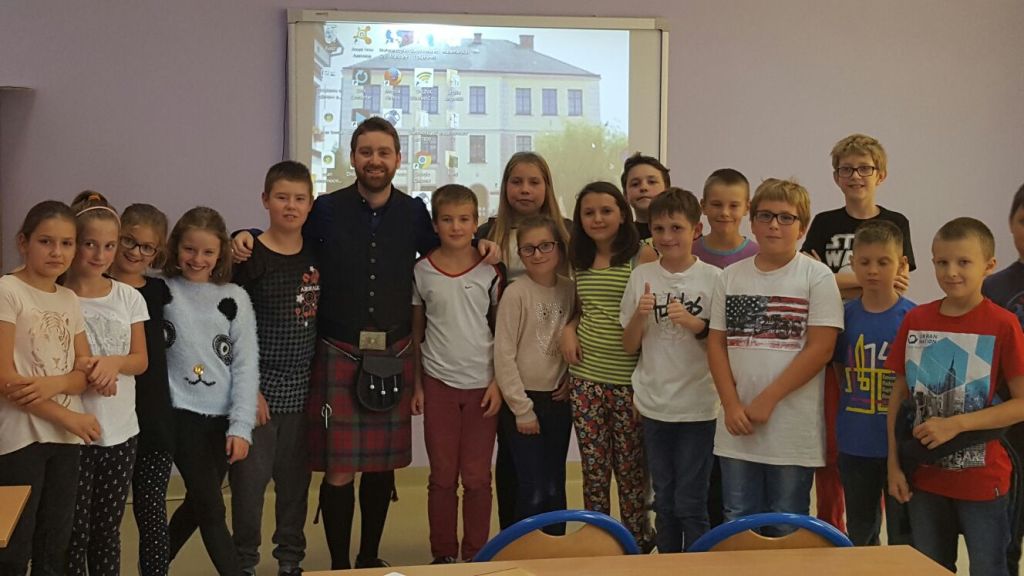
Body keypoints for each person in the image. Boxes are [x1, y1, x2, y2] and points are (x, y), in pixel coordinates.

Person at [231, 117, 498, 570]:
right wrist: (247, 236)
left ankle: (369, 557)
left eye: (384, 152)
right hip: (338, 350)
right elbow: (285, 235)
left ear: (398, 159)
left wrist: (486, 244)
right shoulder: (326, 209)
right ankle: (340, 566)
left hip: (393, 353)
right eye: (366, 152)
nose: (375, 160)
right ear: (353, 157)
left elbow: (450, 247)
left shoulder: (414, 212)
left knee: (381, 467)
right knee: (340, 470)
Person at [887, 217, 1024, 576]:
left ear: (988, 266)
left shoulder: (1003, 323)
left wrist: (956, 424)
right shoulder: (916, 319)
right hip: (924, 479)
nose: (951, 272)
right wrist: (893, 465)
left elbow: (1021, 404)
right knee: (931, 568)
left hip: (984, 480)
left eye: (964, 262)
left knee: (989, 568)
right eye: (942, 262)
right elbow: (898, 398)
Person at [709, 178, 843, 527]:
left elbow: (821, 349)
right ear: (752, 222)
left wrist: (768, 399)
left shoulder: (817, 277)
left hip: (791, 433)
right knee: (738, 519)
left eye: (786, 217)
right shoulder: (729, 277)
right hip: (737, 429)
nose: (774, 225)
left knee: (787, 522)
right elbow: (716, 344)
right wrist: (731, 404)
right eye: (765, 215)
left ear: (802, 227)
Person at [802, 134, 915, 532]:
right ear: (836, 176)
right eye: (846, 169)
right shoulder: (825, 223)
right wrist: (850, 283)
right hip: (840, 335)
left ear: (880, 174)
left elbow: (899, 283)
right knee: (837, 449)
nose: (855, 176)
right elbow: (813, 282)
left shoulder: (896, 222)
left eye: (864, 168)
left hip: (880, 335)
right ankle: (834, 531)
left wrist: (837, 278)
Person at [0, 200, 101, 575]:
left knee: (54, 543)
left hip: (65, 442)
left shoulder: (68, 298)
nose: (57, 252)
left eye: (66, 243)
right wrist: (68, 417)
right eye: (46, 241)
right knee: (13, 547)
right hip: (19, 439)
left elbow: (83, 372)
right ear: (23, 242)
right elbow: (5, 378)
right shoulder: (8, 290)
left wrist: (52, 384)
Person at [229, 162, 319, 576]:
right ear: (265, 200)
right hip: (257, 394)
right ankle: (244, 562)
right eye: (282, 197)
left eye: (299, 199)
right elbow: (231, 329)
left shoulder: (317, 254)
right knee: (248, 488)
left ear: (311, 204)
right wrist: (250, 391)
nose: (290, 206)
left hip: (303, 393)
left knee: (295, 487)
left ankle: (290, 560)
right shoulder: (249, 257)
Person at [620, 188, 720, 551]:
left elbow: (721, 344)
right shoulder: (641, 275)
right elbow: (629, 344)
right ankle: (667, 564)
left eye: (676, 228)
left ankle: (697, 566)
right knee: (663, 500)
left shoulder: (714, 278)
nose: (667, 237)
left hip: (699, 406)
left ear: (696, 230)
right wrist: (639, 315)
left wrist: (693, 323)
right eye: (659, 229)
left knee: (691, 501)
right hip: (655, 405)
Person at [476, 151, 571, 529]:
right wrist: (500, 380)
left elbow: (579, 305)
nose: (525, 190)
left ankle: (552, 544)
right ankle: (514, 542)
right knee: (516, 470)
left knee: (550, 476)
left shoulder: (565, 234)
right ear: (505, 187)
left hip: (553, 373)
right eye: (517, 182)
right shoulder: (488, 234)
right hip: (508, 368)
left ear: (547, 186)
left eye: (534, 182)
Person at [412, 185, 505, 563]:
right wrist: (418, 385)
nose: (456, 227)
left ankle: (476, 555)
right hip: (438, 383)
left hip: (483, 385)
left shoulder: (490, 270)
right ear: (435, 225)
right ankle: (443, 555)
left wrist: (499, 381)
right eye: (447, 220)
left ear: (475, 223)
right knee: (442, 476)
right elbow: (416, 331)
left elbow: (502, 331)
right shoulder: (421, 270)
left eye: (464, 219)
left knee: (478, 477)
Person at [561, 181, 656, 550]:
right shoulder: (580, 259)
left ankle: (637, 543)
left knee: (631, 472)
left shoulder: (642, 255)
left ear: (622, 214)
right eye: (589, 212)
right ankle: (598, 541)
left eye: (606, 210)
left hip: (629, 382)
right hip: (586, 380)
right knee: (594, 470)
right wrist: (569, 328)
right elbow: (583, 309)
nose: (597, 219)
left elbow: (650, 316)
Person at [164, 207, 259, 575]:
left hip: (221, 420)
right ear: (176, 247)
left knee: (198, 503)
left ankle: (153, 563)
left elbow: (245, 365)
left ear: (221, 254)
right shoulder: (162, 291)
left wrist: (241, 426)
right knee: (212, 508)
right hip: (179, 415)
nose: (197, 259)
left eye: (207, 252)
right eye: (189, 249)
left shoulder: (235, 297)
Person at [63, 193, 149, 576]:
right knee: (74, 531)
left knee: (106, 531)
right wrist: (89, 371)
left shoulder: (128, 297)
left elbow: (140, 360)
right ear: (75, 243)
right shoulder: (58, 298)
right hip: (72, 433)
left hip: (120, 433)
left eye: (109, 246)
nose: (100, 255)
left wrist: (113, 363)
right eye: (90, 244)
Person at [832, 220, 914, 546]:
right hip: (856, 442)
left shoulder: (913, 318)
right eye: (865, 262)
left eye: (883, 262)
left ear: (901, 264)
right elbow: (840, 369)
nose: (873, 270)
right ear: (852, 264)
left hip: (901, 445)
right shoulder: (844, 316)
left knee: (903, 534)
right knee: (861, 531)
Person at [107, 203, 175, 576]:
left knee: (151, 512)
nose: (135, 252)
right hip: (108, 420)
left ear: (157, 252)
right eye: (129, 241)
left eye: (146, 247)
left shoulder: (161, 292)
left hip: (154, 418)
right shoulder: (94, 287)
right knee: (105, 519)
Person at [494, 215, 575, 530]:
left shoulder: (570, 290)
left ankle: (552, 549)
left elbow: (577, 338)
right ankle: (523, 549)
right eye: (528, 249)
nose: (537, 254)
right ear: (520, 253)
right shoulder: (516, 293)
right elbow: (504, 354)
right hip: (523, 403)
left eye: (545, 246)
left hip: (558, 401)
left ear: (559, 248)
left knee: (554, 483)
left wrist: (570, 378)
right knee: (531, 486)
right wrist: (521, 408)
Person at [982, 183, 1024, 574]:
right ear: (1011, 223)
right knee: (1008, 532)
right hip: (1009, 425)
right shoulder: (994, 287)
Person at [693, 168, 759, 269]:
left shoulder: (758, 255)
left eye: (734, 206)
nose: (725, 213)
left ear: (747, 208)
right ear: (703, 206)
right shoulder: (689, 253)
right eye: (716, 205)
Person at [621, 152, 670, 241]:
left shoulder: (681, 232)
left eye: (651, 182)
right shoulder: (620, 237)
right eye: (635, 184)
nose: (643, 188)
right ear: (625, 194)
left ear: (667, 189)